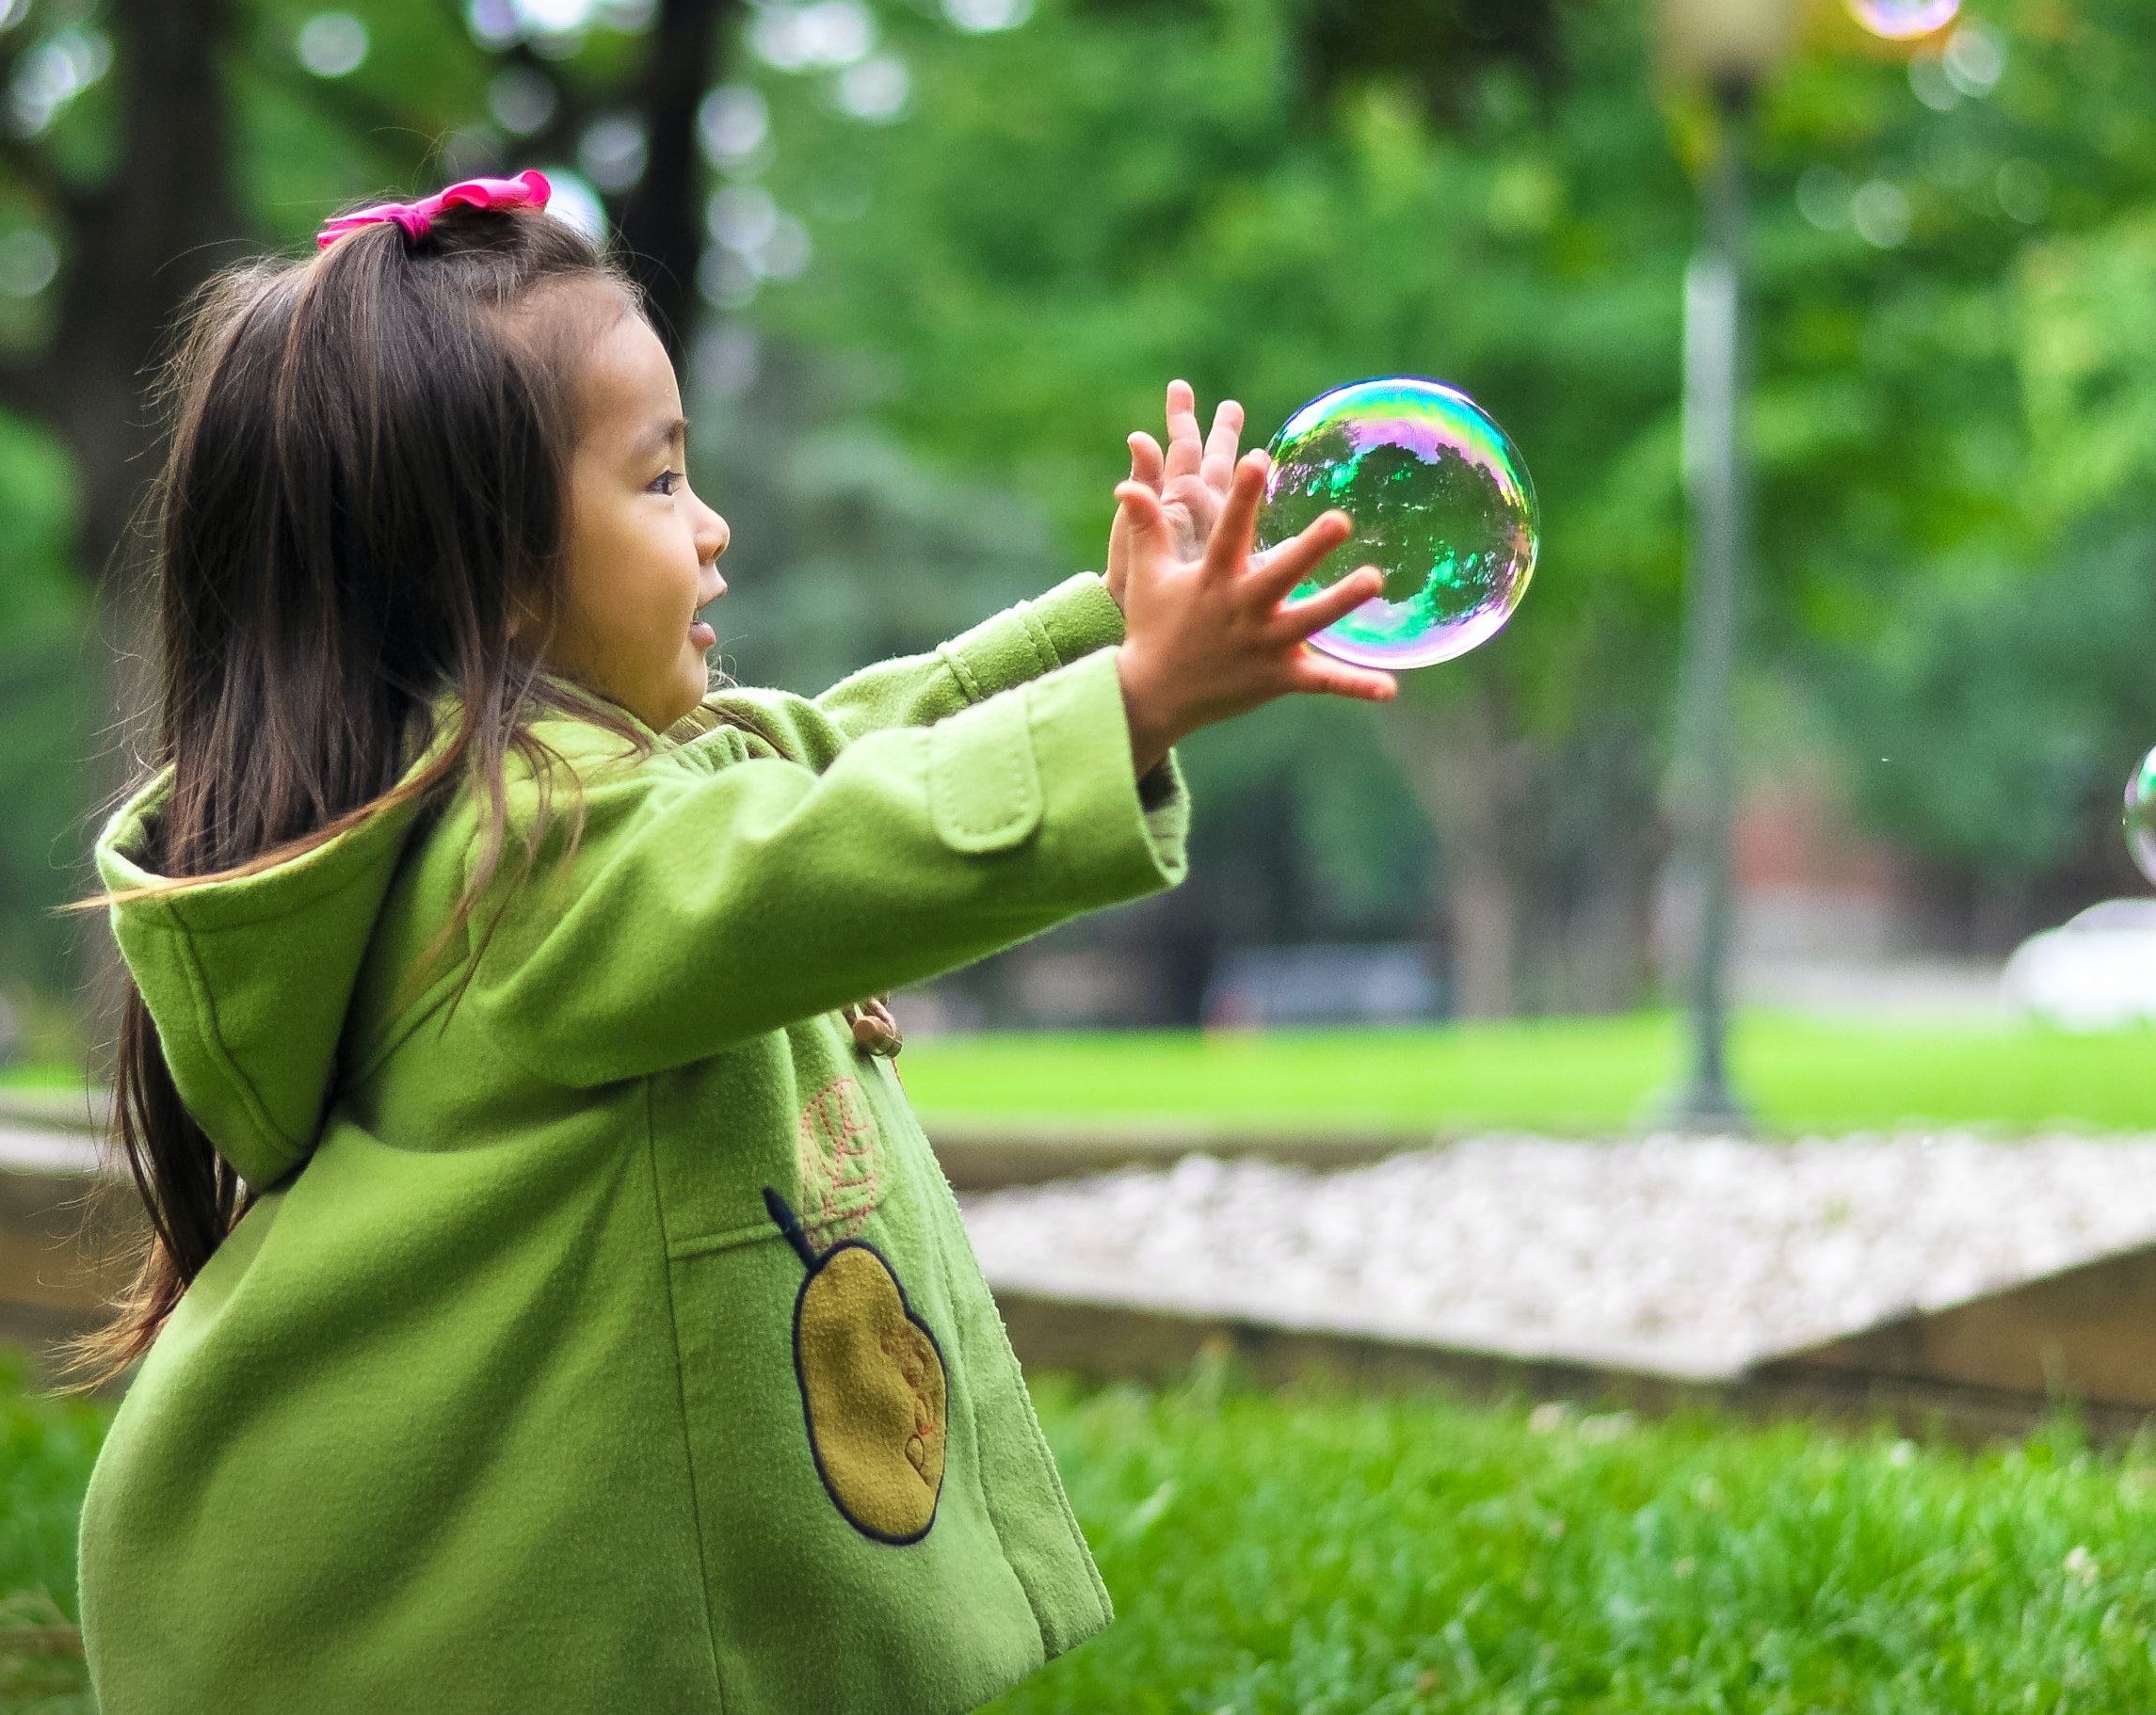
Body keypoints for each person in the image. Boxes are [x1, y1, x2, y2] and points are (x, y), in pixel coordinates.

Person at [71, 170, 1394, 1714]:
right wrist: (1140, 705)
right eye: (654, 482)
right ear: (491, 579)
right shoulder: (526, 872)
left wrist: (1113, 627)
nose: (711, 529)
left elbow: (829, 753)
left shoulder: (578, 804)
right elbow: (828, 849)